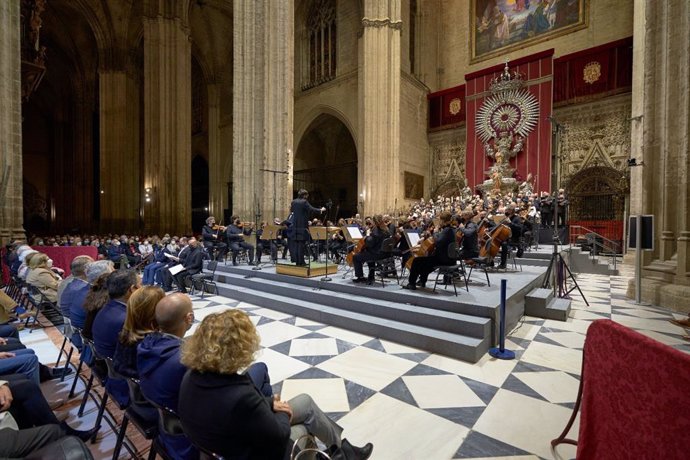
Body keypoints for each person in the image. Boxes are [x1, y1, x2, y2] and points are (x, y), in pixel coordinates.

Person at [178, 310, 373, 460]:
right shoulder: (240, 394)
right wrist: (282, 411)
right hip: (246, 453)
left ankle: (342, 450)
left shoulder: (192, 375)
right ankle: (337, 453)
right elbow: (279, 436)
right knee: (304, 431)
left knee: (305, 402)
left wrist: (270, 402)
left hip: (217, 443)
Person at [91, 269, 140, 406]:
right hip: (128, 384)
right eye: (140, 285)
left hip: (111, 372)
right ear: (132, 289)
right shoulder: (126, 319)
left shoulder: (106, 308)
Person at [403, 211, 456, 290]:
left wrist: (435, 232)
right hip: (448, 258)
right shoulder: (450, 229)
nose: (438, 222)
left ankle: (411, 284)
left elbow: (438, 242)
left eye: (439, 220)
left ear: (443, 220)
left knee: (416, 261)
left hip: (443, 259)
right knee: (426, 262)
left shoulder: (447, 230)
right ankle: (422, 281)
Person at [287, 189, 326, 266]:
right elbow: (311, 209)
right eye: (307, 195)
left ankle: (297, 261)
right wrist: (321, 210)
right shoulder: (304, 202)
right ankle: (301, 262)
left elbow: (292, 210)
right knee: (301, 244)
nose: (307, 197)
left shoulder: (293, 202)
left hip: (295, 226)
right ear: (304, 195)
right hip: (302, 226)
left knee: (297, 244)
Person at [352, 215, 391, 285]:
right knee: (367, 253)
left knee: (356, 257)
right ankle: (371, 276)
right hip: (386, 254)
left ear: (374, 222)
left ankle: (360, 277)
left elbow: (370, 243)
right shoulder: (386, 230)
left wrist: (367, 235)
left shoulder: (376, 230)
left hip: (377, 254)